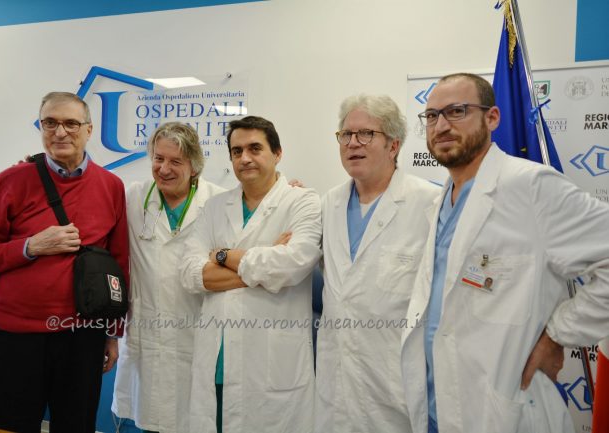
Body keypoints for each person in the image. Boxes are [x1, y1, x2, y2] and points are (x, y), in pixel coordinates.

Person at [400, 73, 609, 432]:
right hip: (438, 407)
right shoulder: (441, 201)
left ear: (492, 117)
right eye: (432, 116)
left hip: (501, 409)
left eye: (457, 111)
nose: (441, 125)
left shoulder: (531, 186)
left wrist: (558, 334)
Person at [0, 92, 129, 433]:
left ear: (89, 130)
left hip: (83, 336)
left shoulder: (111, 186)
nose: (60, 132)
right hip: (15, 337)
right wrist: (30, 246)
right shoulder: (10, 181)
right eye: (50, 123)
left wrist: (112, 332)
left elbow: (118, 265)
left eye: (70, 123)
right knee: (9, 426)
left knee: (76, 425)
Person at [178, 116, 322, 433]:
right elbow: (189, 274)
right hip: (217, 362)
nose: (245, 158)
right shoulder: (215, 206)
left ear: (277, 153)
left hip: (271, 365)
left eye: (255, 148)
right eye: (237, 151)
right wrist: (266, 257)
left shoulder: (303, 201)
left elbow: (291, 264)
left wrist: (222, 256)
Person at [313, 94, 440, 433]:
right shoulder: (329, 203)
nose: (353, 143)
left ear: (393, 145)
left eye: (366, 133)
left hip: (395, 383)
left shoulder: (429, 202)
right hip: (336, 381)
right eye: (345, 134)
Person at [112, 122, 225, 433]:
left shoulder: (218, 202)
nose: (164, 169)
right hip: (148, 330)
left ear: (194, 166)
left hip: (198, 329)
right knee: (152, 418)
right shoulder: (133, 197)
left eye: (176, 161)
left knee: (199, 418)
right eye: (158, 158)